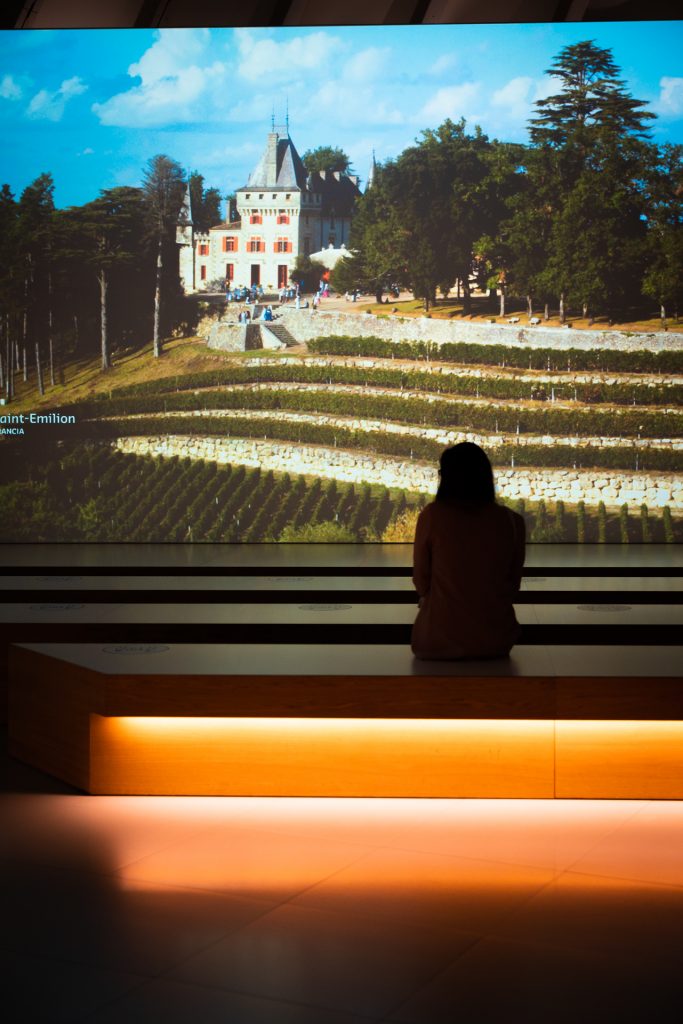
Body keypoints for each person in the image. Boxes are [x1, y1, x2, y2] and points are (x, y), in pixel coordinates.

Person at [411, 442, 525, 660]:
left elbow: (421, 582)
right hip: (495, 641)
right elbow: (512, 586)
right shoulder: (512, 521)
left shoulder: (432, 516)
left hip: (437, 639)